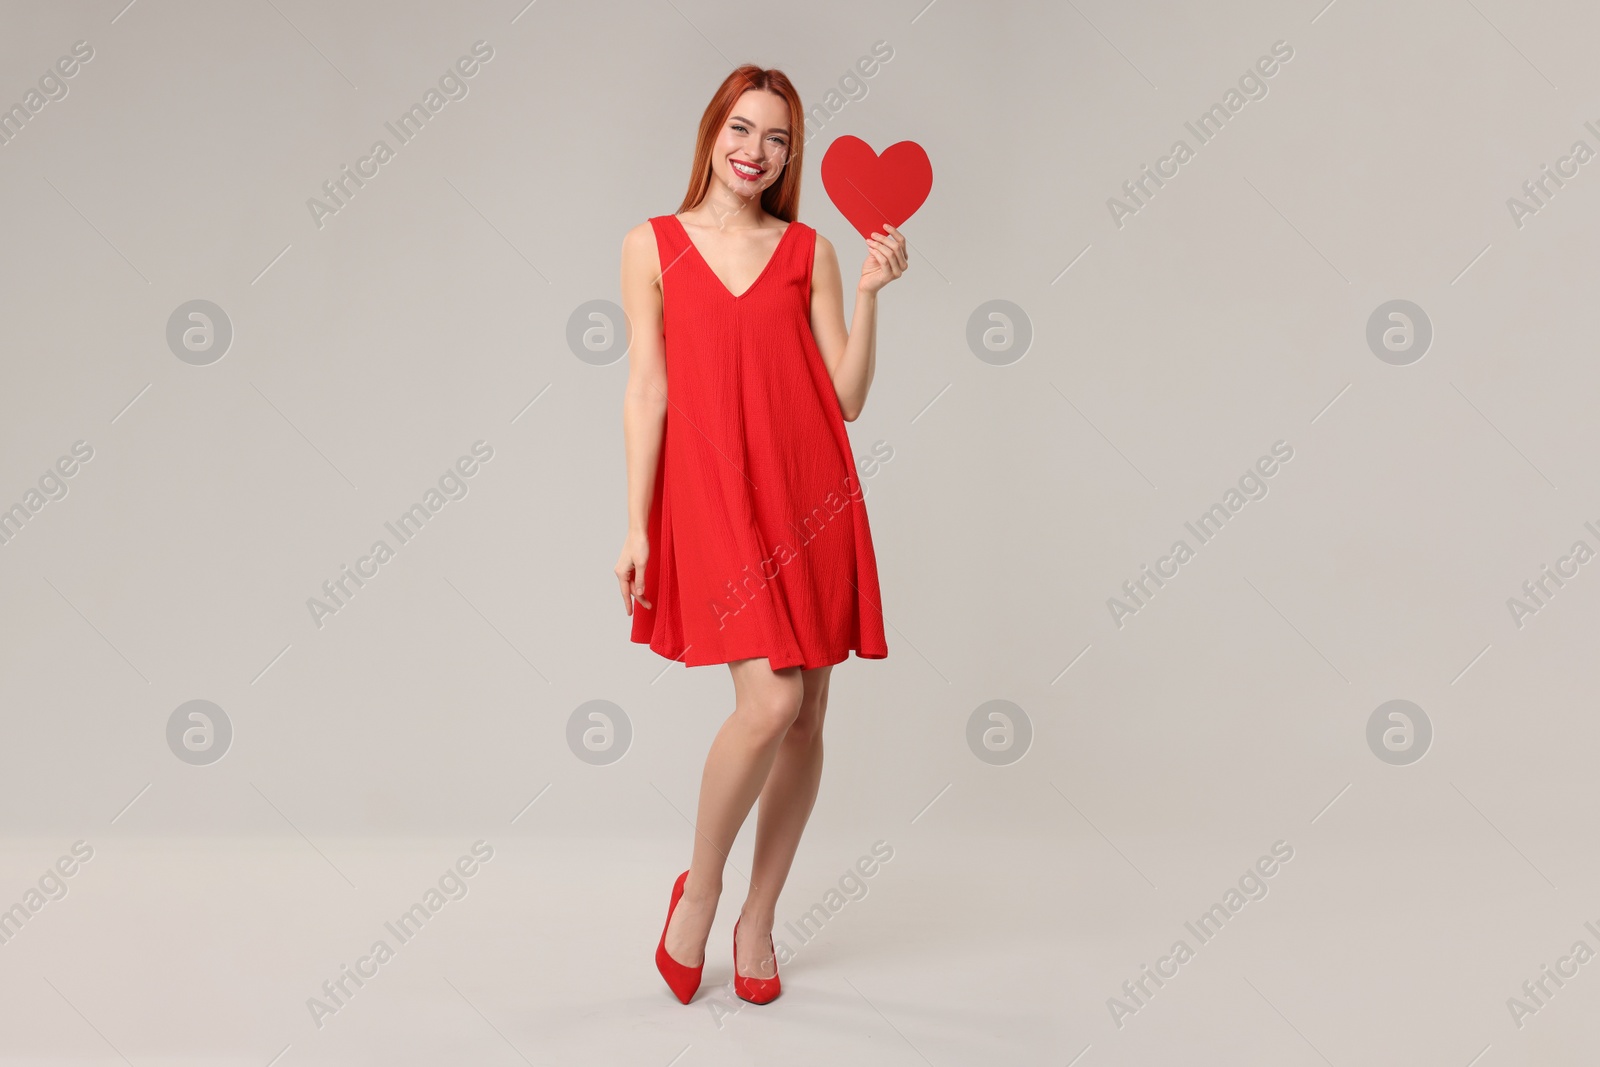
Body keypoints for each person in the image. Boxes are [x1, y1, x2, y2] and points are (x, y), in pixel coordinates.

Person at [615, 63, 908, 1005]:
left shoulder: (809, 249)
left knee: (809, 715)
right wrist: (636, 524)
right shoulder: (651, 245)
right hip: (713, 496)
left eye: (776, 138)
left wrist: (869, 292)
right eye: (741, 129)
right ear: (711, 133)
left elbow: (848, 397)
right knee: (768, 703)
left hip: (810, 491)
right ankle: (699, 894)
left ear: (791, 154)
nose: (755, 152)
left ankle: (759, 918)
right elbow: (648, 389)